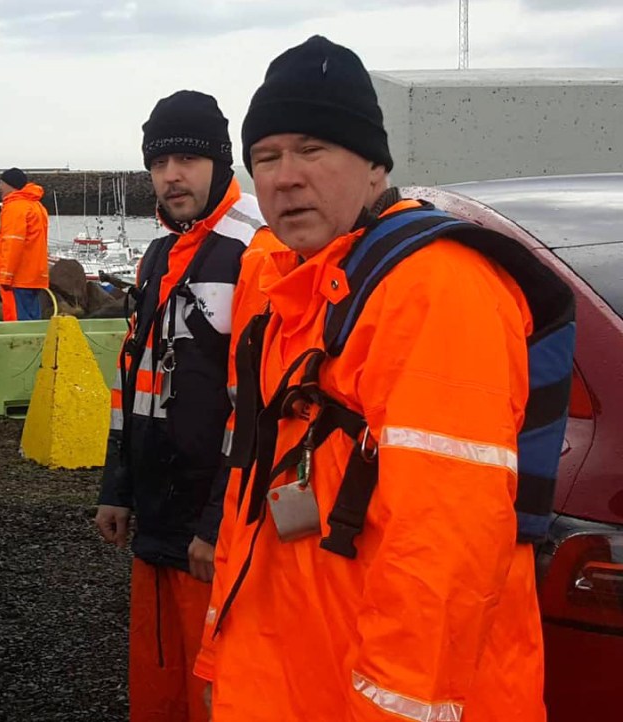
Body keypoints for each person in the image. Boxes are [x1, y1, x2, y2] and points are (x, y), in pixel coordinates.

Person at [195, 36, 562, 721]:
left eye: (312, 149)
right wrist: (224, 658)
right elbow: (254, 511)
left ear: (374, 166)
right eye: (266, 158)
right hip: (287, 683)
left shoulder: (437, 291)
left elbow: (443, 554)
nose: (285, 177)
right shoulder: (292, 299)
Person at [94, 90, 271, 722]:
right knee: (159, 689)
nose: (172, 176)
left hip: (213, 534)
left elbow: (258, 408)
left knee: (222, 693)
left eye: (189, 160)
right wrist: (117, 488)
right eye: (159, 162)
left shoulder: (257, 252)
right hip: (156, 522)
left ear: (221, 163)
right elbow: (133, 382)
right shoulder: (159, 255)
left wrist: (219, 524)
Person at [0, 167, 49, 321]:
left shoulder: (15, 208)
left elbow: (12, 244)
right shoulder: (36, 206)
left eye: (1, 183)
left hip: (18, 278)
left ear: (10, 185)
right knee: (33, 322)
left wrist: (5, 277)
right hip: (34, 276)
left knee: (18, 323)